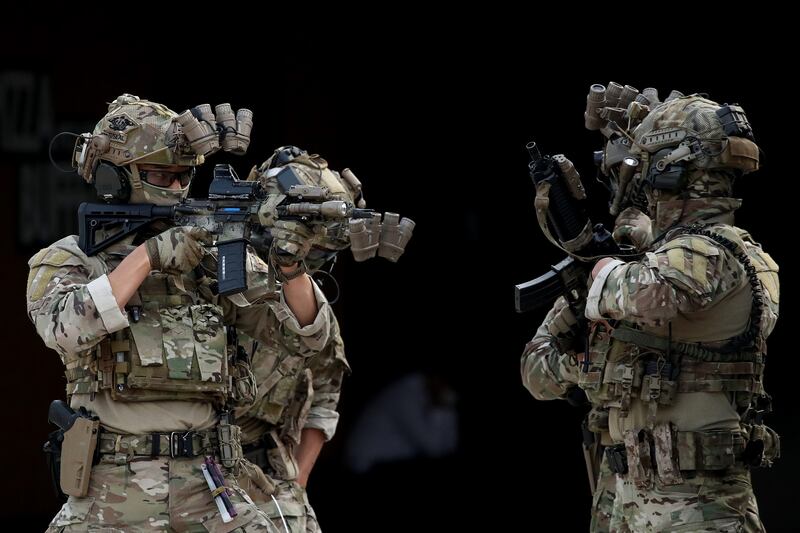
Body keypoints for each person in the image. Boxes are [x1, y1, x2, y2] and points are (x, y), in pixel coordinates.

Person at [27, 95, 334, 531]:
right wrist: (151, 256)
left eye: (183, 177)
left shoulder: (211, 258)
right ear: (115, 176)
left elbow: (307, 336)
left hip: (211, 485)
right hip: (112, 487)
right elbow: (66, 329)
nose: (174, 189)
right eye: (160, 175)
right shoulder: (70, 260)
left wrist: (290, 264)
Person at [521, 86, 780, 532]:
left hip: (699, 506)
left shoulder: (723, 253)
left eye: (641, 168)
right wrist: (581, 365)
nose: (634, 179)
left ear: (668, 171)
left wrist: (596, 259)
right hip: (623, 496)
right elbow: (535, 370)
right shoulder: (654, 258)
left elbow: (653, 293)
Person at [232, 147, 360, 532]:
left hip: (265, 471)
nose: (313, 260)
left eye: (319, 252)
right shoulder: (212, 283)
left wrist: (296, 482)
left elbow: (325, 394)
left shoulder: (314, 314)